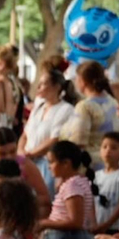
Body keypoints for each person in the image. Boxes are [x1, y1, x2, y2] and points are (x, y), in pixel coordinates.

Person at [20, 66, 74, 194]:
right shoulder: (38, 106)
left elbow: (54, 139)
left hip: (46, 163)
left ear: (56, 87)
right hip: (27, 161)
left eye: (44, 84)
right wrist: (21, 152)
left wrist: (30, 154)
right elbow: (25, 134)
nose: (39, 87)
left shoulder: (66, 109)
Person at [92, 132, 119, 234]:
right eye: (104, 147)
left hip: (115, 228)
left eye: (114, 148)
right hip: (97, 225)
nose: (108, 151)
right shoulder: (96, 176)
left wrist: (107, 224)